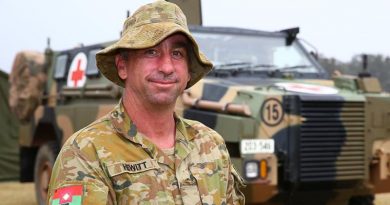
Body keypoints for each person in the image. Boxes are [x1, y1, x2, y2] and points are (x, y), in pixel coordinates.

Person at [47, 1, 245, 204]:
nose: (167, 67)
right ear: (123, 66)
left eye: (177, 54)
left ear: (188, 72)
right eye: (151, 52)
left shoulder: (211, 144)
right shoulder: (85, 153)